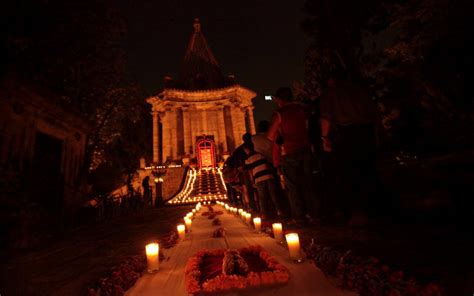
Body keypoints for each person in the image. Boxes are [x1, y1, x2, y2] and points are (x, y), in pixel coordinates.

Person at [320, 74, 378, 226]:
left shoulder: (331, 93)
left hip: (346, 134)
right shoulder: (360, 90)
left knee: (349, 173)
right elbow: (374, 112)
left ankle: (357, 214)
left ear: (331, 80)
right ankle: (376, 209)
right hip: (366, 132)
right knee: (368, 170)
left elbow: (326, 117)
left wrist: (324, 137)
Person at [267, 87, 316, 225]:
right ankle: (315, 215)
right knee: (309, 183)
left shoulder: (280, 113)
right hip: (306, 149)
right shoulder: (303, 110)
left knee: (293, 186)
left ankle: (299, 217)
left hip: (289, 151)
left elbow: (270, 136)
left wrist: (280, 136)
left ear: (279, 100)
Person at [242, 141, 281, 219]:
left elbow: (250, 171)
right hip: (268, 176)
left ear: (247, 149)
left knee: (262, 197)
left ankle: (264, 214)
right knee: (273, 195)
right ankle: (279, 211)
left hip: (259, 178)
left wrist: (252, 180)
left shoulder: (248, 159)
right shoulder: (261, 154)